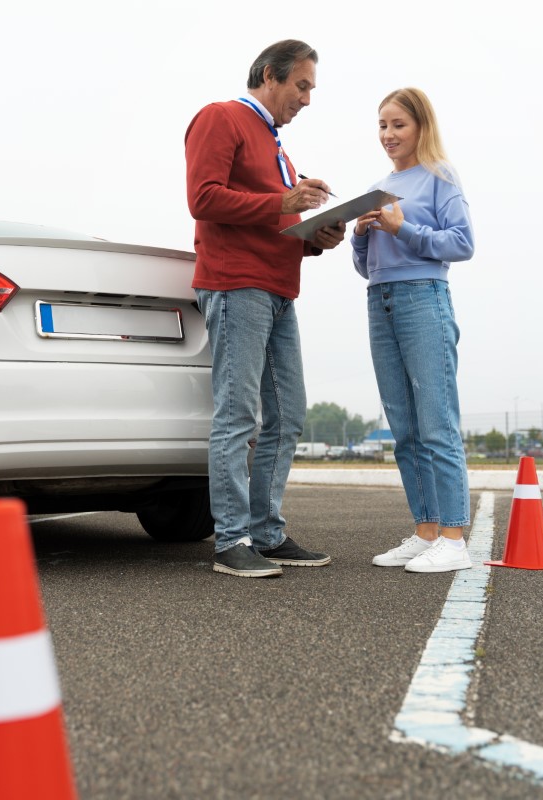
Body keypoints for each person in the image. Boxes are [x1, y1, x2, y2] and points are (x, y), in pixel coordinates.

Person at [185, 39, 346, 578]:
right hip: (236, 286)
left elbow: (271, 220)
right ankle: (231, 541)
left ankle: (266, 533)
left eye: (310, 89)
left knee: (288, 415)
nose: (306, 99)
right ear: (268, 76)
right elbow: (203, 198)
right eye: (301, 85)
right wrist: (285, 200)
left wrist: (314, 237)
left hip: (278, 290)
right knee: (238, 416)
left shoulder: (278, 149)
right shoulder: (221, 118)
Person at [351, 87, 475, 573]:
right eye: (382, 125)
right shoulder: (379, 185)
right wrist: (360, 235)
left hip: (424, 299)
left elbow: (462, 244)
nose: (388, 134)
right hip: (379, 301)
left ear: (421, 126)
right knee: (404, 428)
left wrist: (403, 228)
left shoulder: (441, 176)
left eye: (398, 124)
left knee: (436, 422)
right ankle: (425, 531)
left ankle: (453, 537)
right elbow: (368, 268)